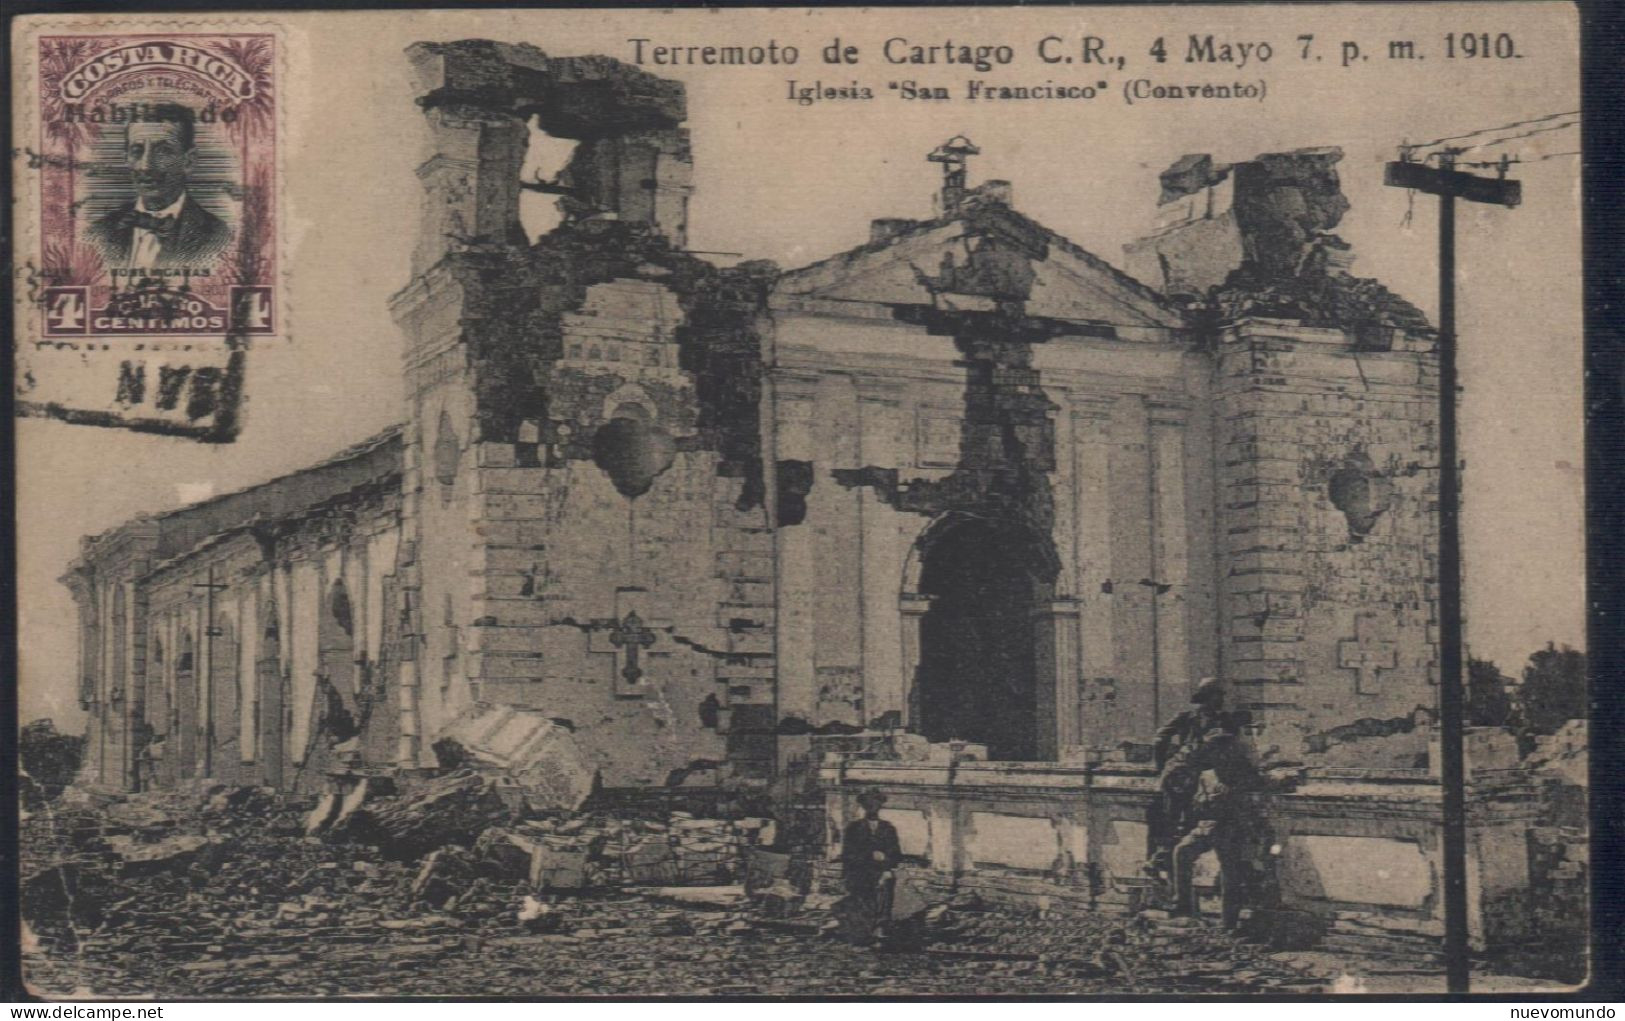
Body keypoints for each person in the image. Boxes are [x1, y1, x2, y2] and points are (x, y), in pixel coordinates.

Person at [87, 103, 230, 269]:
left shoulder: (220, 237)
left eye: (163, 151)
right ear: (126, 158)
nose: (146, 166)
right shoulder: (98, 233)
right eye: (137, 150)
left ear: (189, 161)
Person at [839, 789, 901, 944]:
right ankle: (862, 930)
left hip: (880, 871)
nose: (872, 807)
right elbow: (847, 855)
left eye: (876, 803)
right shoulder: (853, 828)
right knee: (862, 892)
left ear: (880, 806)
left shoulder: (888, 828)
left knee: (887, 882)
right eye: (869, 803)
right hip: (859, 871)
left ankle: (881, 926)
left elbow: (896, 854)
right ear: (863, 806)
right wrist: (869, 856)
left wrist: (886, 864)